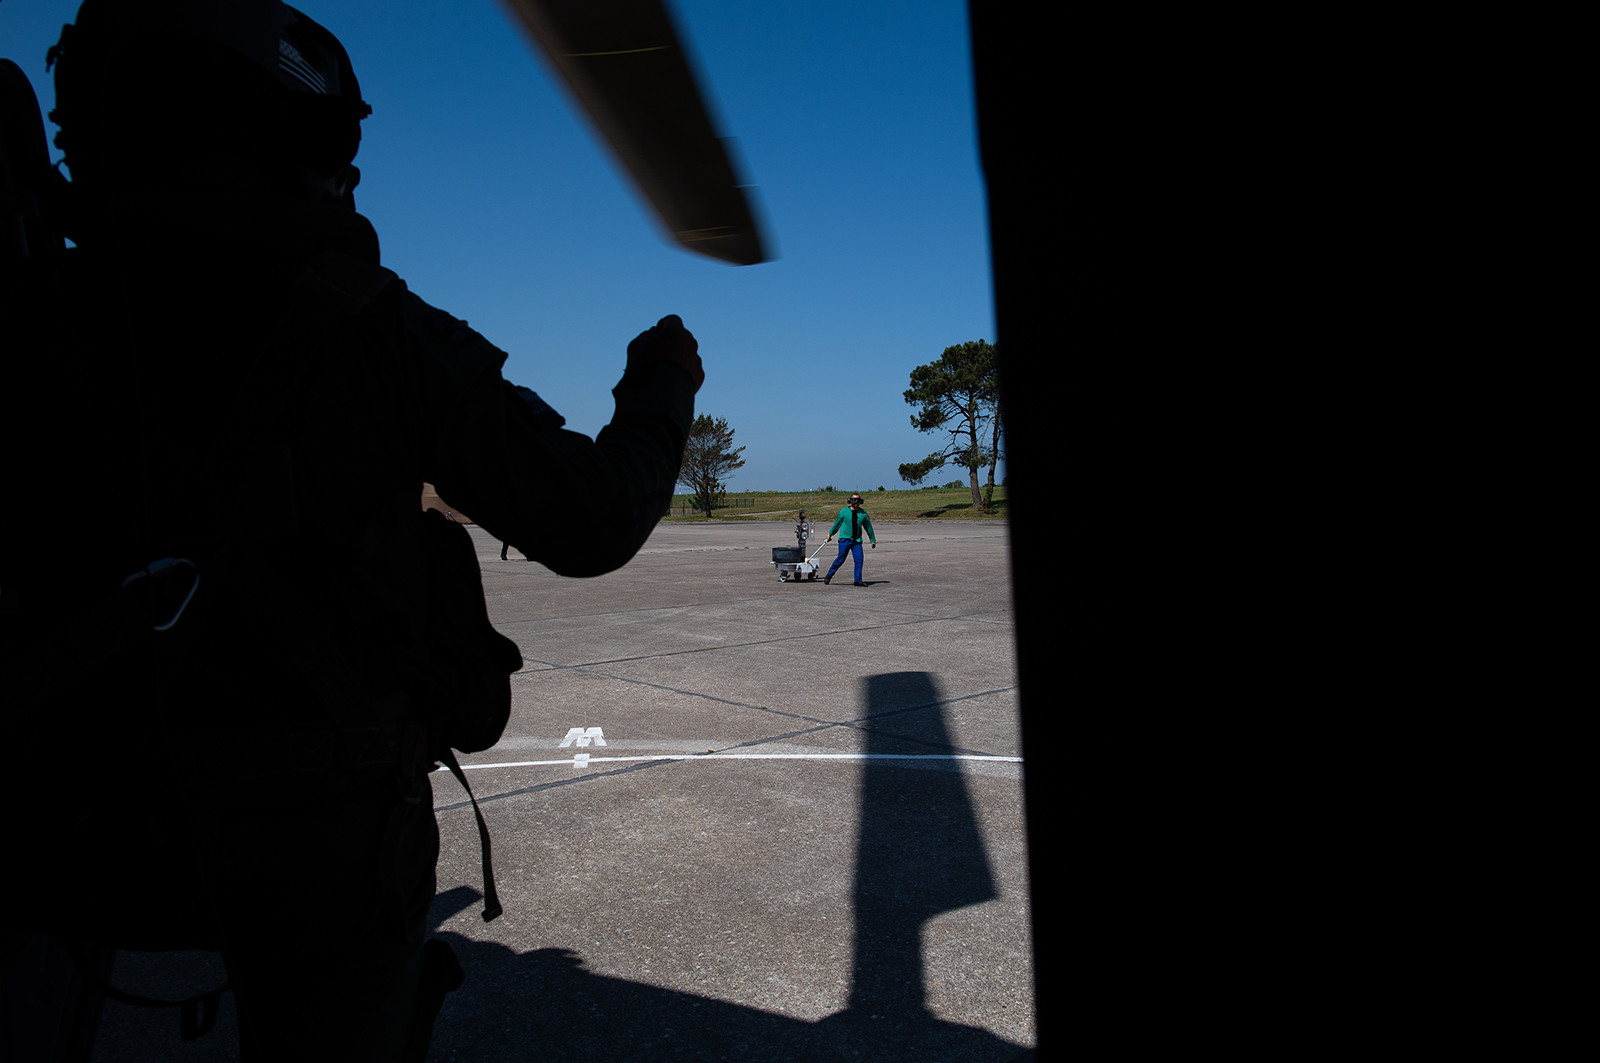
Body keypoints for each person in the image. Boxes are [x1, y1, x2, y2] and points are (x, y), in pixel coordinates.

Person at [1, 3, 700, 1059]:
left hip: (79, 814)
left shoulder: (36, 319)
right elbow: (592, 518)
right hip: (318, 833)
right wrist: (660, 389)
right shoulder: (366, 328)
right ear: (286, 138)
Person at [822, 494, 877, 585]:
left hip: (857, 542)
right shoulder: (844, 511)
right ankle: (829, 575)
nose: (856, 502)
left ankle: (858, 580)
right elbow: (837, 525)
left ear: (860, 501)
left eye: (858, 500)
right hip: (845, 540)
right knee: (840, 559)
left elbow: (868, 527)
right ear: (850, 501)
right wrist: (830, 534)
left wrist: (873, 540)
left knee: (859, 560)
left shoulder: (863, 513)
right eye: (854, 500)